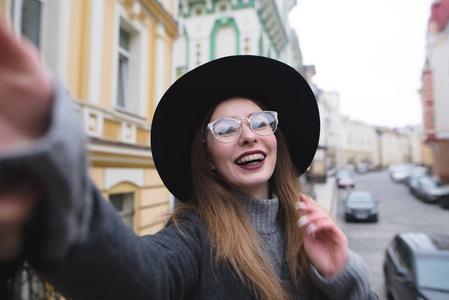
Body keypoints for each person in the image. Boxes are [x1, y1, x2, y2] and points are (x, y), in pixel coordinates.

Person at [0, 15, 378, 300]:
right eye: (227, 129)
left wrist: (344, 276)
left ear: (276, 138)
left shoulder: (307, 232)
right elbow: (142, 278)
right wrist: (54, 186)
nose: (248, 134)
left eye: (262, 122)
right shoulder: (193, 238)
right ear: (209, 157)